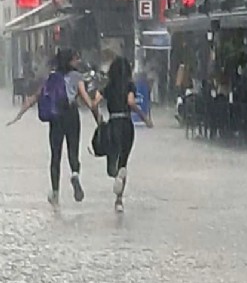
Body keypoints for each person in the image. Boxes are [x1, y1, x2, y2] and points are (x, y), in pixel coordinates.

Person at [7, 49, 97, 206]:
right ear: (70, 60)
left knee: (55, 155)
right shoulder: (77, 77)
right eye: (76, 58)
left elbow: (34, 98)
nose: (78, 61)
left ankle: (55, 193)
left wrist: (18, 116)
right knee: (73, 150)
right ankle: (75, 175)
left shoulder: (51, 77)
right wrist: (98, 116)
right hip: (71, 115)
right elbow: (87, 100)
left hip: (56, 118)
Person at [91, 57, 153, 213]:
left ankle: (115, 174)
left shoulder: (108, 86)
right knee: (123, 162)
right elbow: (131, 102)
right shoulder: (130, 85)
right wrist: (144, 117)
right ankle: (119, 200)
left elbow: (94, 103)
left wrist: (99, 120)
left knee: (112, 160)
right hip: (126, 124)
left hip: (113, 124)